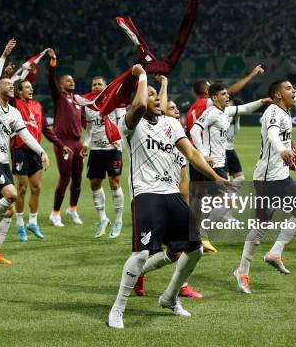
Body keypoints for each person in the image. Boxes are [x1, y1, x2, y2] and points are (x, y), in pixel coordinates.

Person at [107, 65, 227, 329]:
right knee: (140, 254)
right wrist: (141, 76)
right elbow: (138, 106)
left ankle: (169, 298)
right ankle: (118, 307)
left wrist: (216, 176)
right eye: (151, 95)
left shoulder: (171, 124)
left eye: (157, 94)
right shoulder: (130, 122)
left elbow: (193, 154)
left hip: (171, 194)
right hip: (146, 194)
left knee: (194, 250)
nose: (157, 98)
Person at [234, 70, 296, 294]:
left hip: (281, 177)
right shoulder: (273, 111)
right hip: (267, 178)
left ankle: (275, 252)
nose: (294, 91)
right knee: (261, 227)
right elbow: (273, 136)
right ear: (278, 95)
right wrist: (282, 151)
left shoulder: (285, 110)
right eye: (289, 88)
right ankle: (242, 270)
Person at [0, 39, 49, 265]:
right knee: (12, 196)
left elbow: (26, 135)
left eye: (12, 84)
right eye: (8, 84)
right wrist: (3, 56)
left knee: (7, 211)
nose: (12, 86)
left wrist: (41, 151)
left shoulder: (14, 113)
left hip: (3, 163)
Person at [133, 75, 203, 300]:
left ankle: (160, 284)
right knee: (149, 251)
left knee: (177, 251)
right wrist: (162, 85)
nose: (174, 112)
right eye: (170, 108)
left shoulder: (175, 138)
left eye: (175, 109)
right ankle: (143, 278)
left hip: (171, 197)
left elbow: (185, 176)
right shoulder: (149, 130)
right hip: (151, 196)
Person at [189, 83, 269, 253]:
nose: (227, 96)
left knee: (202, 199)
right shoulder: (211, 113)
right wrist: (203, 153)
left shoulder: (225, 112)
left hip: (218, 162)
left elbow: (245, 108)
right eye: (224, 94)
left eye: (227, 94)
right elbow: (195, 131)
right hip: (213, 164)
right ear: (214, 97)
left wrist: (262, 101)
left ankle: (193, 233)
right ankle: (202, 236)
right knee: (226, 201)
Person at [9, 78, 69, 241]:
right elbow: (10, 89)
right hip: (19, 150)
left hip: (35, 151)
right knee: (22, 188)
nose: (31, 89)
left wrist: (61, 144)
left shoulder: (37, 106)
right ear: (19, 91)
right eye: (27, 87)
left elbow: (46, 130)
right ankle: (20, 224)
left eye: (31, 87)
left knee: (36, 187)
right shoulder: (14, 104)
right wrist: (31, 71)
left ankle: (33, 223)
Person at [82, 76, 126, 239]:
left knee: (114, 183)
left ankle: (118, 220)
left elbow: (122, 124)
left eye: (100, 84)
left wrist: (119, 141)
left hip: (112, 148)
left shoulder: (116, 102)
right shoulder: (88, 106)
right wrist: (86, 144)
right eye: (94, 84)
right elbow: (89, 128)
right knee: (94, 184)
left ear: (106, 86)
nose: (97, 86)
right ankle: (103, 219)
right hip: (96, 149)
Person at [46, 49, 85, 227]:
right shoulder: (59, 97)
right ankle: (55, 213)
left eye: (73, 80)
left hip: (77, 143)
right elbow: (51, 80)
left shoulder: (78, 101)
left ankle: (73, 209)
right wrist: (53, 62)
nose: (72, 82)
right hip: (63, 142)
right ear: (61, 85)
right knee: (65, 177)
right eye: (68, 80)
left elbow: (85, 122)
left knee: (78, 178)